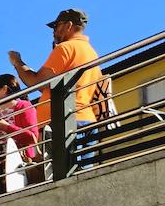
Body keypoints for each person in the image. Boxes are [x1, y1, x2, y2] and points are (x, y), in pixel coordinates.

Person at [7, 9, 102, 138]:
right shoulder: (91, 53)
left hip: (63, 121)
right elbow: (53, 87)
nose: (53, 31)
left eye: (56, 26)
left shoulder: (65, 48)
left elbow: (36, 82)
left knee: (60, 158)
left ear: (68, 25)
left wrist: (17, 62)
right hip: (85, 119)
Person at [0, 74, 39, 198]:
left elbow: (32, 137)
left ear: (4, 89)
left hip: (15, 167)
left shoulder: (23, 106)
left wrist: (7, 127)